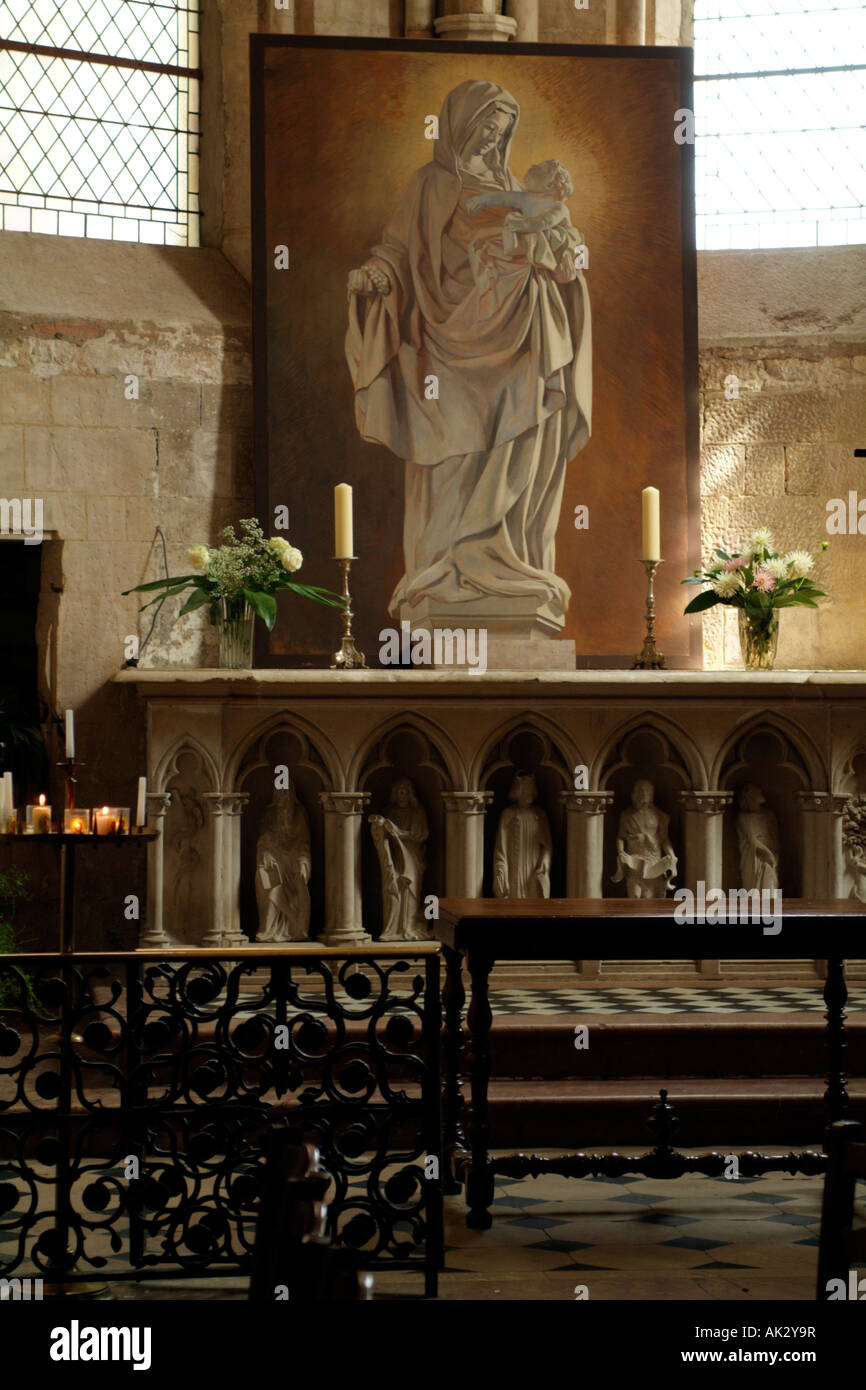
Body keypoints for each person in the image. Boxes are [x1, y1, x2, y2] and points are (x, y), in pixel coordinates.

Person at [345, 80, 592, 631]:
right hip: (445, 345)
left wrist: (565, 259)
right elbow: (397, 250)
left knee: (521, 438)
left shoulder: (516, 186)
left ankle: (508, 562)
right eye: (485, 127)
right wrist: (376, 276)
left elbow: (558, 242)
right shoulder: (428, 185)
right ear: (459, 125)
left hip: (520, 334)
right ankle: (445, 569)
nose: (493, 138)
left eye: (501, 131)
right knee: (453, 452)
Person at [612, 779, 677, 898]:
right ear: (633, 794)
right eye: (639, 792)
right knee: (635, 896)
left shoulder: (660, 816)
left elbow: (664, 840)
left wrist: (671, 855)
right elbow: (620, 837)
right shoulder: (626, 816)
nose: (643, 795)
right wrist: (621, 852)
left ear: (651, 795)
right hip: (634, 862)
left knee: (653, 898)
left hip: (654, 863)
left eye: (646, 792)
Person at [493, 771, 552, 898]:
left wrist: (545, 859)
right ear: (518, 792)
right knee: (515, 896)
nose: (529, 794)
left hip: (534, 864)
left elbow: (547, 845)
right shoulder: (508, 814)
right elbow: (501, 845)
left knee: (534, 895)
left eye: (531, 790)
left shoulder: (540, 815)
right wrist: (501, 868)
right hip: (514, 864)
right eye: (525, 791)